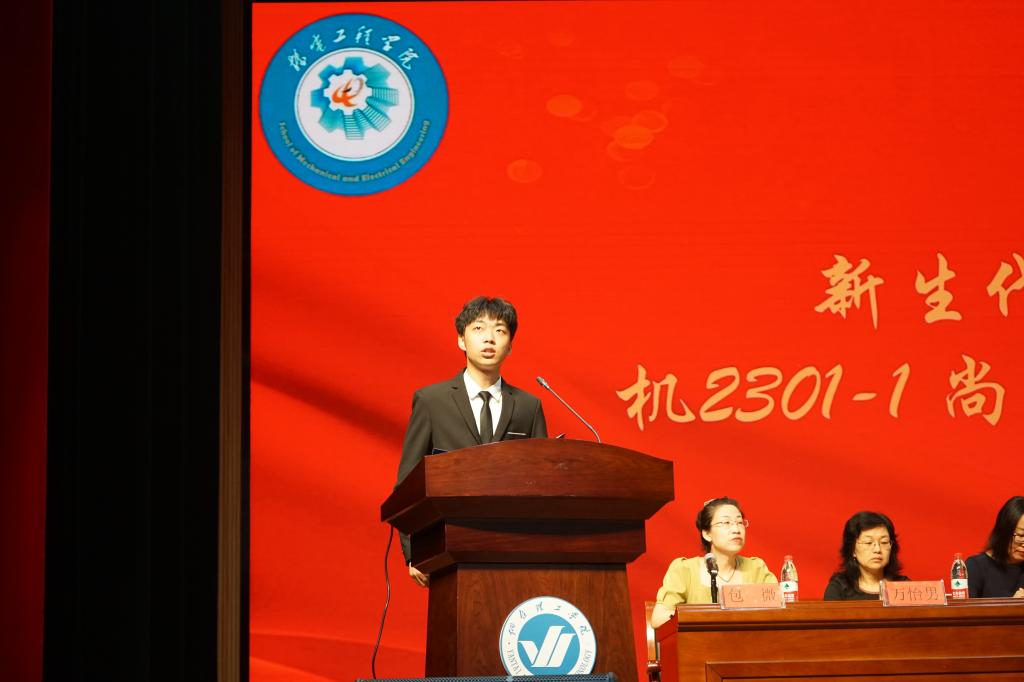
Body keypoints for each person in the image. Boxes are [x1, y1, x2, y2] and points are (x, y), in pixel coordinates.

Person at [394, 296, 547, 586]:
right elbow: (408, 484)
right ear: (461, 340)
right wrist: (415, 550)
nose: (489, 338)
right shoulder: (432, 401)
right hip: (447, 547)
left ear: (510, 346)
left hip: (512, 553)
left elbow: (542, 485)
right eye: (478, 328)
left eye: (500, 330)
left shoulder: (529, 406)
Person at [651, 497, 777, 627]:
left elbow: (779, 611)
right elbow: (658, 619)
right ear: (706, 533)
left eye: (740, 522)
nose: (736, 529)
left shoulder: (756, 569)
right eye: (726, 523)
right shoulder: (685, 570)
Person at [823, 511, 909, 600]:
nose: (877, 549)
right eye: (868, 542)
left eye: (884, 542)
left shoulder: (904, 587)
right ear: (852, 550)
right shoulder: (839, 589)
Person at [966, 496, 1024, 598]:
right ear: (1004, 531)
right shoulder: (976, 567)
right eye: (1021, 535)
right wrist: (1012, 605)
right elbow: (966, 608)